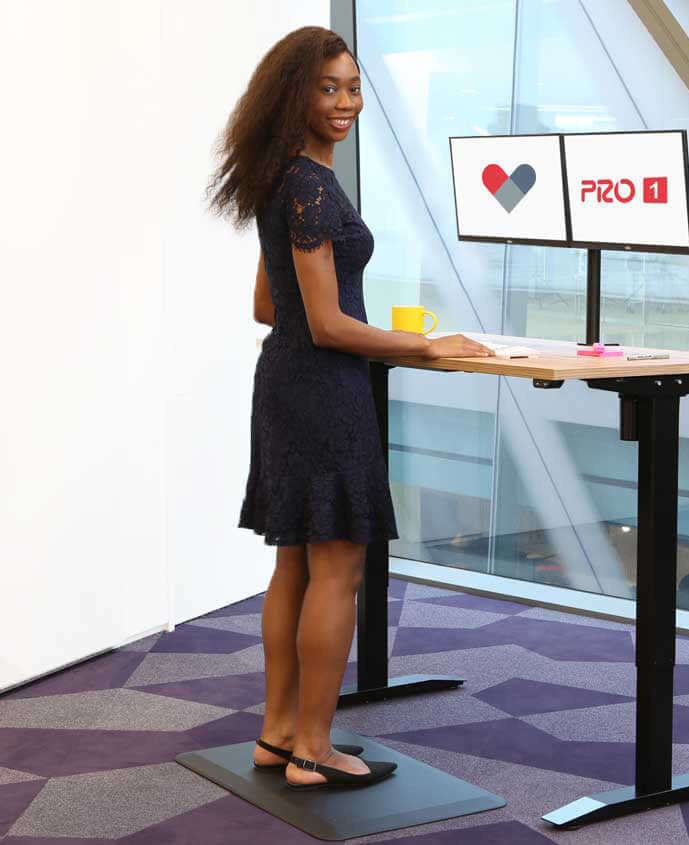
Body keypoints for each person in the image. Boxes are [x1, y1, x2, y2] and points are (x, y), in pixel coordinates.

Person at [207, 26, 495, 791]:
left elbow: (271, 303)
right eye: (327, 87)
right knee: (338, 565)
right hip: (325, 392)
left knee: (295, 564)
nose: (344, 102)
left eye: (352, 86)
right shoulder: (309, 185)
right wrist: (426, 345)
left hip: (286, 384)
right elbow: (329, 323)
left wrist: (332, 325)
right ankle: (314, 750)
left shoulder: (281, 179)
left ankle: (277, 736)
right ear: (294, 94)